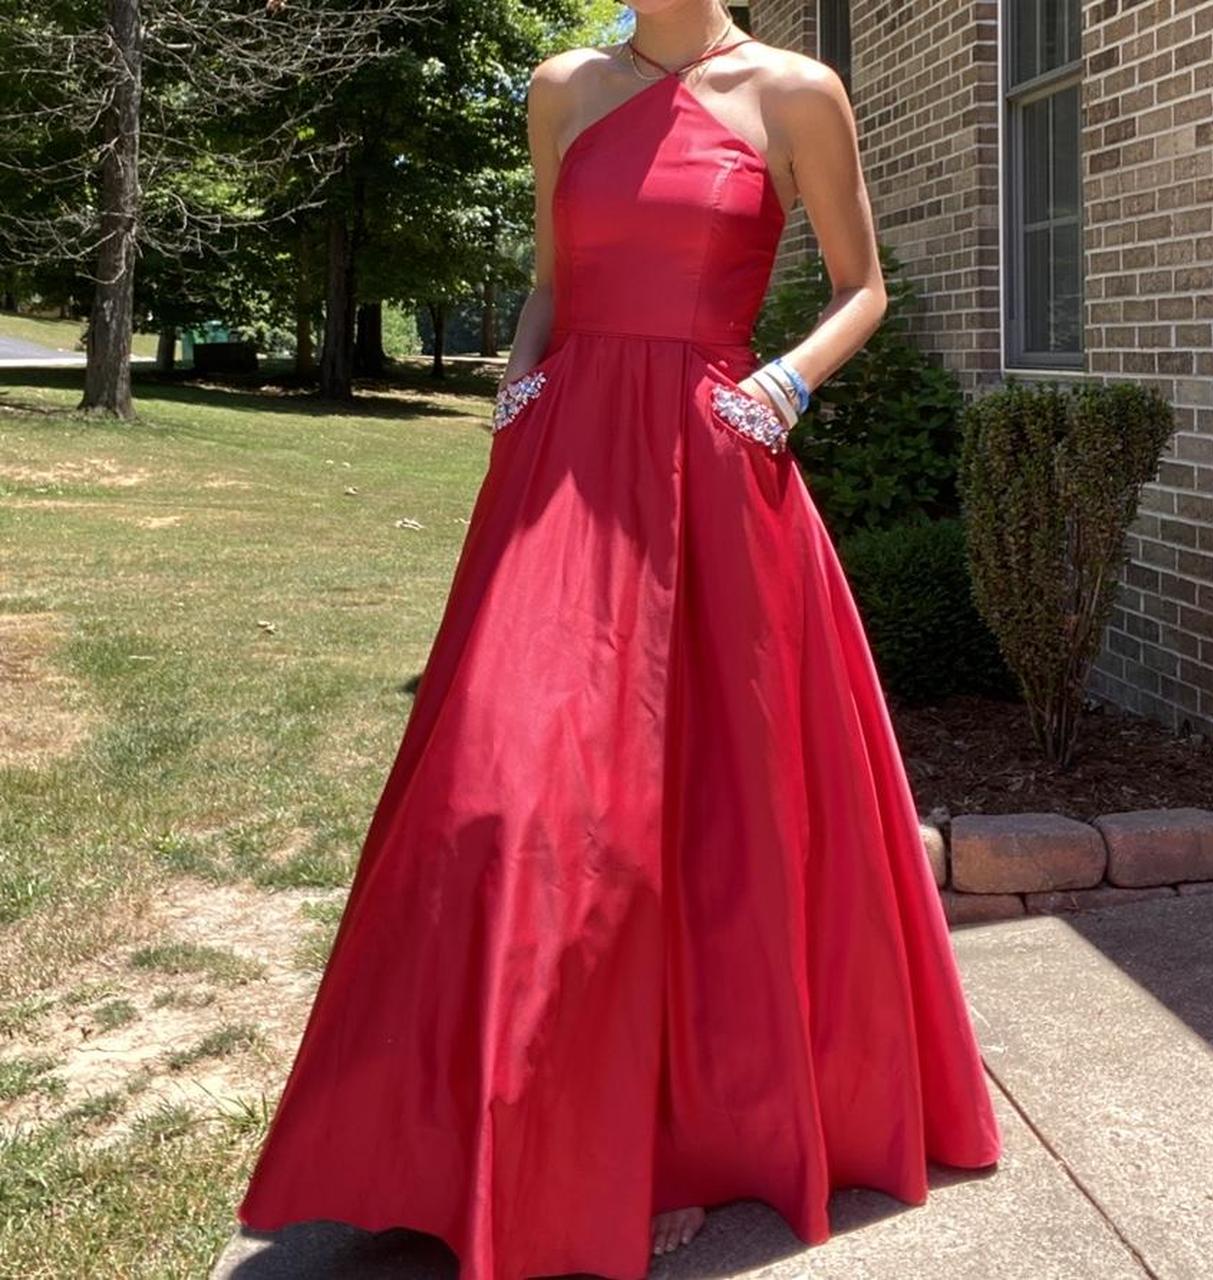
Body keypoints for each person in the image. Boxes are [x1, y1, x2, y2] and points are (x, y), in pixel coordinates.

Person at [235, 3, 1003, 1277]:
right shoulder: (562, 86)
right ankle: (463, 1136)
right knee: (500, 787)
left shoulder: (796, 90)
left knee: (697, 811)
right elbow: (551, 276)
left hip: (713, 470)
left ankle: (668, 1140)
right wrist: (516, 385)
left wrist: (784, 382)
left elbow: (862, 284)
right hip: (562, 466)